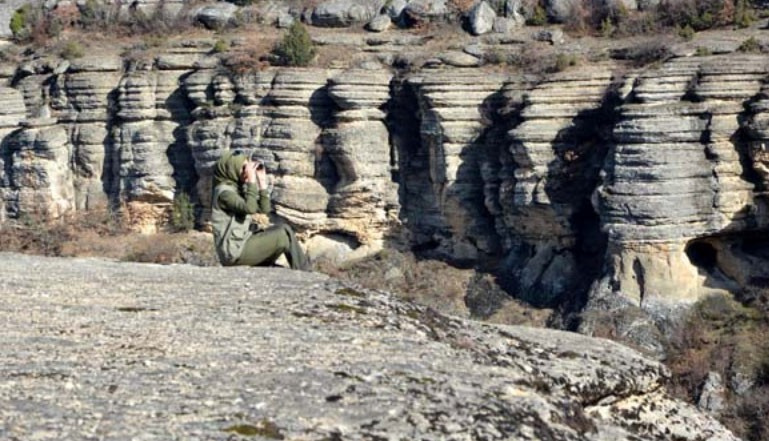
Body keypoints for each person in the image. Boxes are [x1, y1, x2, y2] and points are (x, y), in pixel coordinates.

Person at [211, 149, 309, 270]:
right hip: (234, 252)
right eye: (243, 168)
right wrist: (251, 180)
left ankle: (299, 270)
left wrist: (262, 182)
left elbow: (264, 209)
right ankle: (305, 272)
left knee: (282, 228)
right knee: (285, 235)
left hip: (241, 244)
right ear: (232, 169)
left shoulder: (236, 188)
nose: (246, 172)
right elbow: (250, 208)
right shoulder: (224, 193)